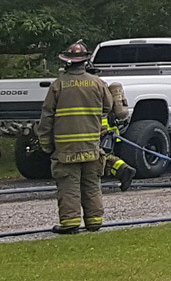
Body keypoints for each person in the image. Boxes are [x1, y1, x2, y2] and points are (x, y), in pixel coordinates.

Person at [36, 40, 114, 234]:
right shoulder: (98, 83)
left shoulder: (58, 85)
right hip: (91, 146)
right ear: (85, 61)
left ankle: (70, 223)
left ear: (67, 62)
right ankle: (94, 221)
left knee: (69, 186)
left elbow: (46, 117)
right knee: (91, 185)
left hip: (66, 150)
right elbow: (108, 106)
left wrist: (46, 144)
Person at [102, 82, 136, 191]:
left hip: (101, 130)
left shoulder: (93, 88)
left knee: (99, 156)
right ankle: (123, 170)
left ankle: (124, 170)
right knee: (102, 156)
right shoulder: (102, 87)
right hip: (108, 129)